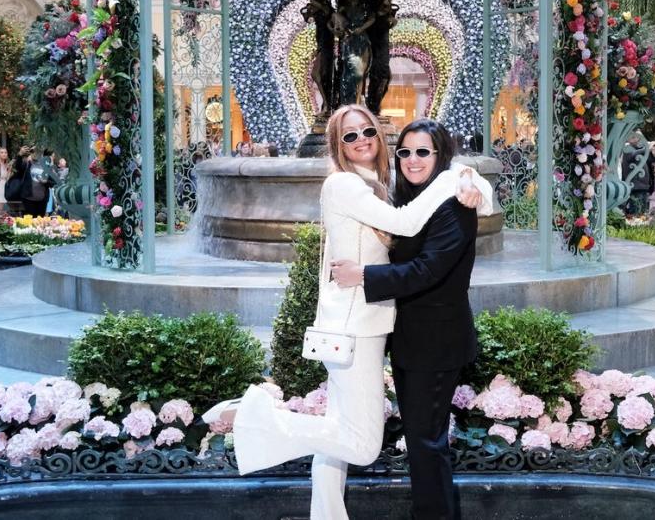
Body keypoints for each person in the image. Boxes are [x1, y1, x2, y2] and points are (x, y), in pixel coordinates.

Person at [202, 104, 492, 520]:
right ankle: (253, 417)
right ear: (337, 146)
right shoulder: (350, 187)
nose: (361, 141)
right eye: (349, 136)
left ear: (379, 134)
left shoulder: (385, 187)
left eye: (367, 132)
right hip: (359, 327)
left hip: (408, 335)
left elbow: (425, 256)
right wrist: (453, 177)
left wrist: (468, 177)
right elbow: (408, 227)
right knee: (360, 443)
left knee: (359, 437)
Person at [328, 119, 481, 520]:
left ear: (440, 156)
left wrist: (362, 276)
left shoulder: (454, 206)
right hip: (412, 340)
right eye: (406, 152)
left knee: (427, 444)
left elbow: (427, 271)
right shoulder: (408, 198)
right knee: (422, 442)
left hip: (436, 341)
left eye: (423, 152)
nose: (412, 160)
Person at [621, 133, 651, 215]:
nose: (638, 139)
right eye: (634, 137)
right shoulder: (628, 149)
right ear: (629, 140)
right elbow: (633, 154)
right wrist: (647, 148)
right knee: (636, 213)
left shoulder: (638, 150)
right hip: (636, 187)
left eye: (639, 138)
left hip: (642, 187)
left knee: (642, 213)